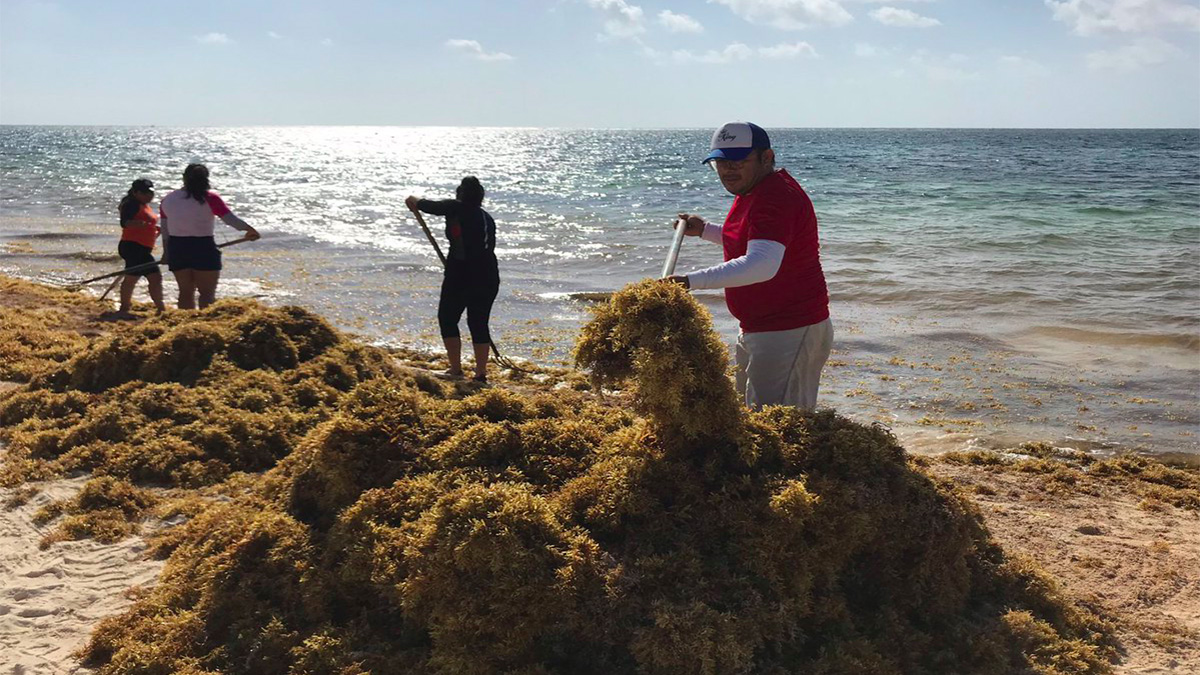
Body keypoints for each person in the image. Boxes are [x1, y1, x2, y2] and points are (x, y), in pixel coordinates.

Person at [667, 122, 833, 411]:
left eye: (739, 161)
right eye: (720, 162)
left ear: (766, 157)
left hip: (789, 330)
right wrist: (705, 229)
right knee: (751, 415)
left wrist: (689, 282)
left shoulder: (775, 197)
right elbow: (751, 241)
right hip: (762, 327)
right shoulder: (753, 191)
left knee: (781, 427)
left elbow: (761, 265)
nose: (728, 170)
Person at [405, 176, 500, 383]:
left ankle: (456, 369)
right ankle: (481, 373)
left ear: (460, 195)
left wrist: (413, 199)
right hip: (489, 276)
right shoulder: (487, 218)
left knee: (447, 318)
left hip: (462, 273)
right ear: (481, 198)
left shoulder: (455, 207)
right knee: (478, 322)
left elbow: (427, 206)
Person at [159, 164, 260, 309]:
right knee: (207, 294)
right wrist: (249, 230)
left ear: (184, 178)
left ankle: (185, 325)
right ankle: (203, 325)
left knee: (185, 292)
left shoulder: (168, 199)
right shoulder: (210, 198)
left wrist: (166, 252)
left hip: (177, 247)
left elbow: (165, 230)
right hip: (203, 247)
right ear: (206, 179)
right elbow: (231, 220)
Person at [115, 178, 167, 317]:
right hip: (133, 246)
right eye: (146, 193)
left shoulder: (142, 204)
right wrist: (142, 224)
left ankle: (125, 306)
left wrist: (153, 227)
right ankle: (160, 309)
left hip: (140, 247)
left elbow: (146, 221)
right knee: (153, 277)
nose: (150, 196)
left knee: (133, 277)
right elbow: (125, 223)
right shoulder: (131, 204)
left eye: (151, 193)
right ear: (136, 192)